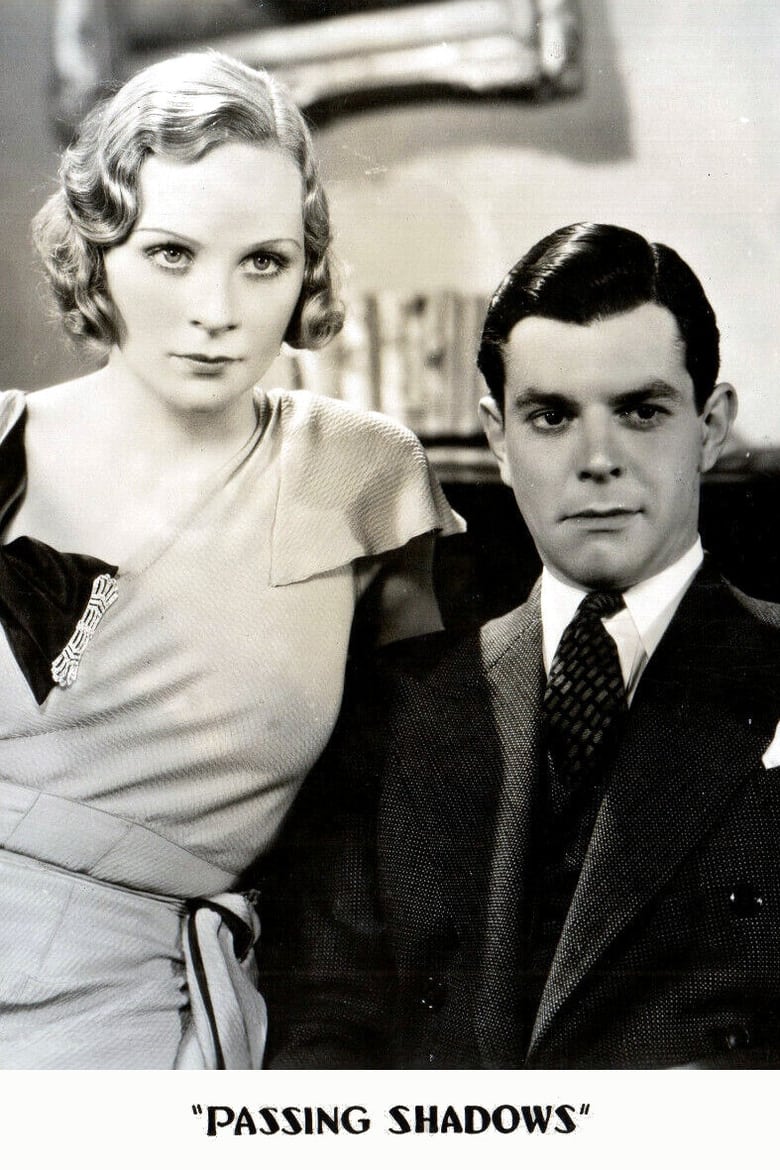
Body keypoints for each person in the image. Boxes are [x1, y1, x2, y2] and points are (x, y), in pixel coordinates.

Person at [0, 50, 463, 1070]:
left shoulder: (361, 472)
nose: (217, 309)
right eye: (171, 253)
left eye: (262, 261)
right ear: (98, 253)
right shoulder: (3, 446)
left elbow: (417, 805)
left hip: (135, 1011)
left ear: (306, 272)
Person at [261, 222, 780, 1069]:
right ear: (500, 439)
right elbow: (321, 1025)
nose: (598, 459)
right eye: (552, 417)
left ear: (711, 426)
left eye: (642, 411)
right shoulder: (393, 706)